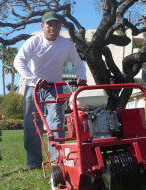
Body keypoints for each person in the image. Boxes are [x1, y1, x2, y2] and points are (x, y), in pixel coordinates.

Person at [14, 11, 87, 169]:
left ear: (60, 27)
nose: (52, 28)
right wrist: (35, 79)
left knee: (55, 122)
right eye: (49, 25)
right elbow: (18, 62)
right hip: (33, 87)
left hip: (54, 87)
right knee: (31, 124)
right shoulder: (34, 41)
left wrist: (81, 76)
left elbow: (78, 62)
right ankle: (33, 162)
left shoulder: (66, 44)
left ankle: (57, 160)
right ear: (42, 26)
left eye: (56, 25)